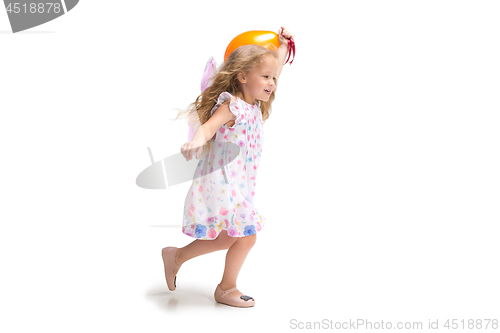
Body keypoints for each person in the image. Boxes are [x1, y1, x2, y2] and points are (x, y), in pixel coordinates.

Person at [162, 27, 294, 308]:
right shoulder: (233, 106)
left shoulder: (255, 103)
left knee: (225, 239)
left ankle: (176, 257)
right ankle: (226, 288)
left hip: (240, 182)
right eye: (266, 77)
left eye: (274, 78)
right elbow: (208, 128)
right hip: (222, 182)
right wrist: (194, 142)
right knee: (247, 236)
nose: (272, 82)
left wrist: (282, 47)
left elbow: (275, 68)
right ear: (242, 77)